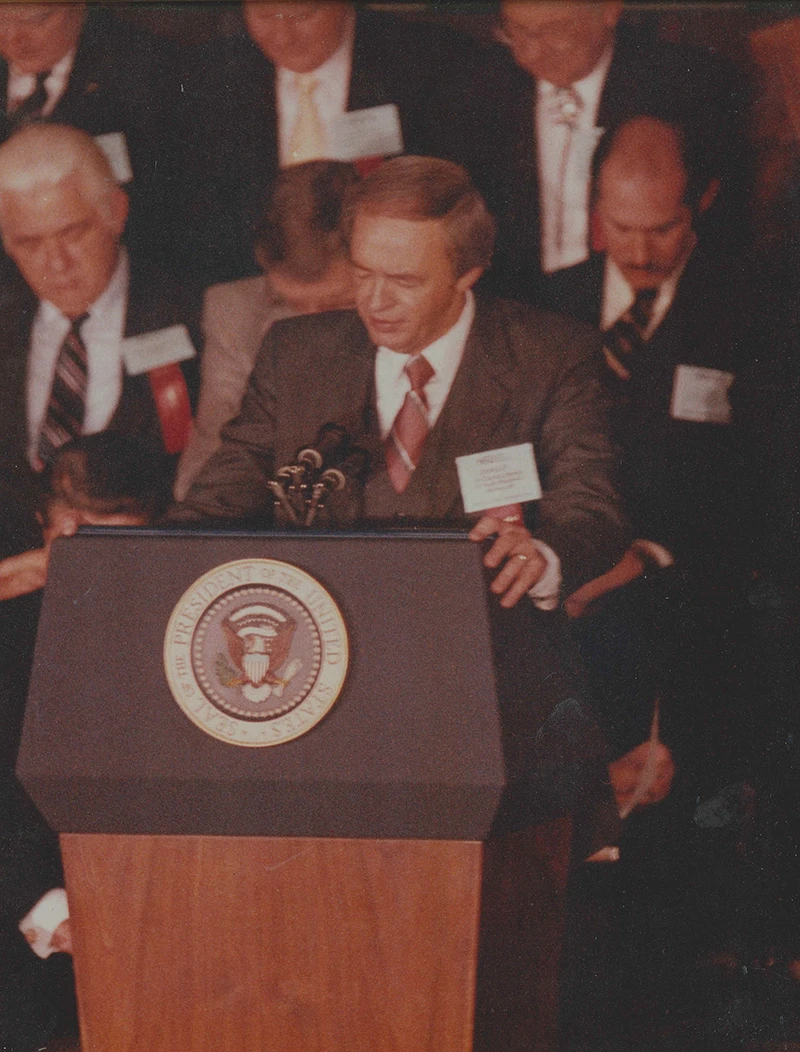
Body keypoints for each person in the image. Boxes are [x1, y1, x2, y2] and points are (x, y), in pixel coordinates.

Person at [543, 116, 752, 774]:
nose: (638, 252)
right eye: (621, 227)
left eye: (661, 228)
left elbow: (766, 486)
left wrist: (647, 556)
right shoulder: (545, 303)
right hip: (557, 606)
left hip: (691, 617)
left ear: (705, 201)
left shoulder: (757, 311)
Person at [0, 432, 169, 1051]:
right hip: (27, 909)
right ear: (60, 529)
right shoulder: (12, 622)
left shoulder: (169, 610)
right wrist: (42, 904)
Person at [180, 1, 502, 284]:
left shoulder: (430, 60)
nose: (283, 36)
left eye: (301, 15)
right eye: (266, 15)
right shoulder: (209, 73)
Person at [0, 123, 200, 555]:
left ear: (116, 211)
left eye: (72, 232)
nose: (56, 263)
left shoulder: (195, 314)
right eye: (30, 243)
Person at [489, 0, 752, 302]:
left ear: (609, 10)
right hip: (522, 309)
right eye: (517, 31)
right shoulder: (483, 85)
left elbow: (728, 231)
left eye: (554, 31)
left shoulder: (690, 83)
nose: (529, 53)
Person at [175, 160, 359, 499]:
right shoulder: (233, 309)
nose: (313, 325)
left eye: (338, 306)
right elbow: (209, 458)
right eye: (295, 305)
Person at [0, 2, 185, 273]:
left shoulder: (151, 70)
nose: (14, 37)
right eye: (1, 20)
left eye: (36, 20)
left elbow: (169, 217)